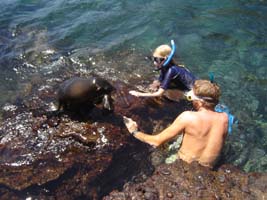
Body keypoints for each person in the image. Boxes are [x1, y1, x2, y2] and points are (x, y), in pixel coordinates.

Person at [124, 80, 229, 168]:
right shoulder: (224, 118)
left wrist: (134, 131)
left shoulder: (188, 117)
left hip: (184, 167)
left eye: (190, 98)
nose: (191, 101)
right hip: (210, 168)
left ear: (199, 102)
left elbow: (156, 142)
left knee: (156, 157)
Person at [129, 40, 197, 100]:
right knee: (157, 84)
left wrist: (139, 94)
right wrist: (155, 84)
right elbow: (160, 79)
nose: (154, 62)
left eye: (157, 60)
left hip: (193, 92)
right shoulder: (166, 67)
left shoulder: (171, 70)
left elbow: (159, 93)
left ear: (166, 59)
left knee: (167, 93)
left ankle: (186, 98)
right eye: (154, 59)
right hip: (191, 84)